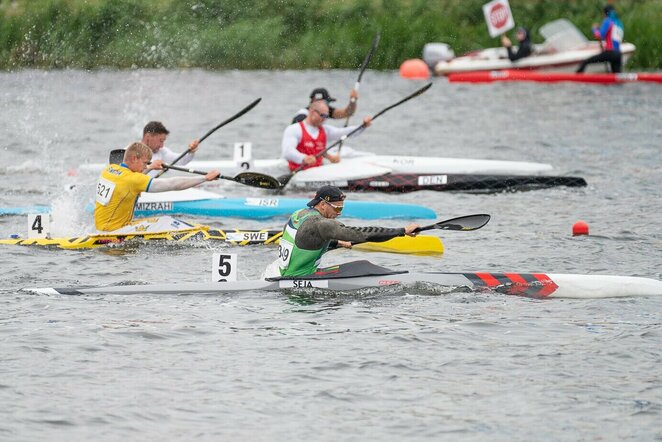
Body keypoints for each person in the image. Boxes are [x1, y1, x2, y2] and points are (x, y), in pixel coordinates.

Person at [263, 185, 419, 278]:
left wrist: (336, 243)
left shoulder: (299, 214)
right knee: (361, 266)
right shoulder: (321, 224)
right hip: (298, 279)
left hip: (276, 273)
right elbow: (363, 233)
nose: (339, 213)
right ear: (323, 204)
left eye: (342, 208)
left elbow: (303, 243)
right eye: (337, 208)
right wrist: (402, 231)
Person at [94, 141, 219, 232]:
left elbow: (129, 179)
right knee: (166, 222)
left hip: (101, 228)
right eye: (144, 163)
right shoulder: (133, 179)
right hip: (115, 232)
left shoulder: (110, 169)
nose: (145, 167)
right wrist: (204, 178)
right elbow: (172, 184)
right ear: (133, 158)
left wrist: (150, 166)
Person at [282, 100, 372, 171]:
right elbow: (287, 152)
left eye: (327, 116)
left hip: (318, 171)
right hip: (298, 172)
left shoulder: (325, 130)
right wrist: (303, 158)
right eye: (323, 115)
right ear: (313, 112)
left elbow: (345, 132)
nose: (325, 119)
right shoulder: (294, 129)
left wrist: (363, 126)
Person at [576, 5, 624, 73]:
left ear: (605, 13)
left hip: (610, 53)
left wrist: (594, 29)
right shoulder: (619, 23)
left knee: (585, 62)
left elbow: (600, 36)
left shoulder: (607, 21)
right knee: (616, 77)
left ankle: (577, 78)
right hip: (618, 54)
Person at [291, 87, 358, 124]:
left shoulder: (323, 112)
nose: (327, 106)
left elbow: (347, 113)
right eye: (326, 103)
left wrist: (353, 101)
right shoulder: (301, 116)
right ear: (317, 101)